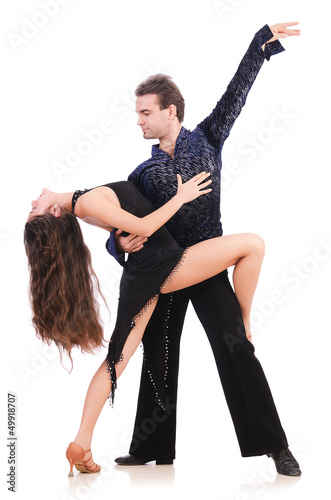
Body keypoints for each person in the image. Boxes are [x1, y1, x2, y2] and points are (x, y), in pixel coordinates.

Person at [110, 23, 302, 476]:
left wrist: (261, 43)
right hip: (168, 271)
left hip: (209, 264)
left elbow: (238, 91)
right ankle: (150, 447)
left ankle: (276, 446)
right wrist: (120, 241)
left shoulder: (209, 138)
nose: (138, 120)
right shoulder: (142, 172)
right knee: (158, 353)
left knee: (237, 349)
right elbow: (120, 227)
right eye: (137, 114)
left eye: (144, 113)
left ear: (170, 111)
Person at [25, 174, 265, 477]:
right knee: (253, 245)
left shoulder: (82, 207)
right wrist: (182, 196)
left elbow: (123, 228)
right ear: (55, 212)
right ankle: (244, 320)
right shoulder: (85, 202)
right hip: (168, 266)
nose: (33, 202)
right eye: (35, 209)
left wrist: (118, 241)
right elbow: (146, 227)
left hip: (142, 276)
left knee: (117, 360)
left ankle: (81, 443)